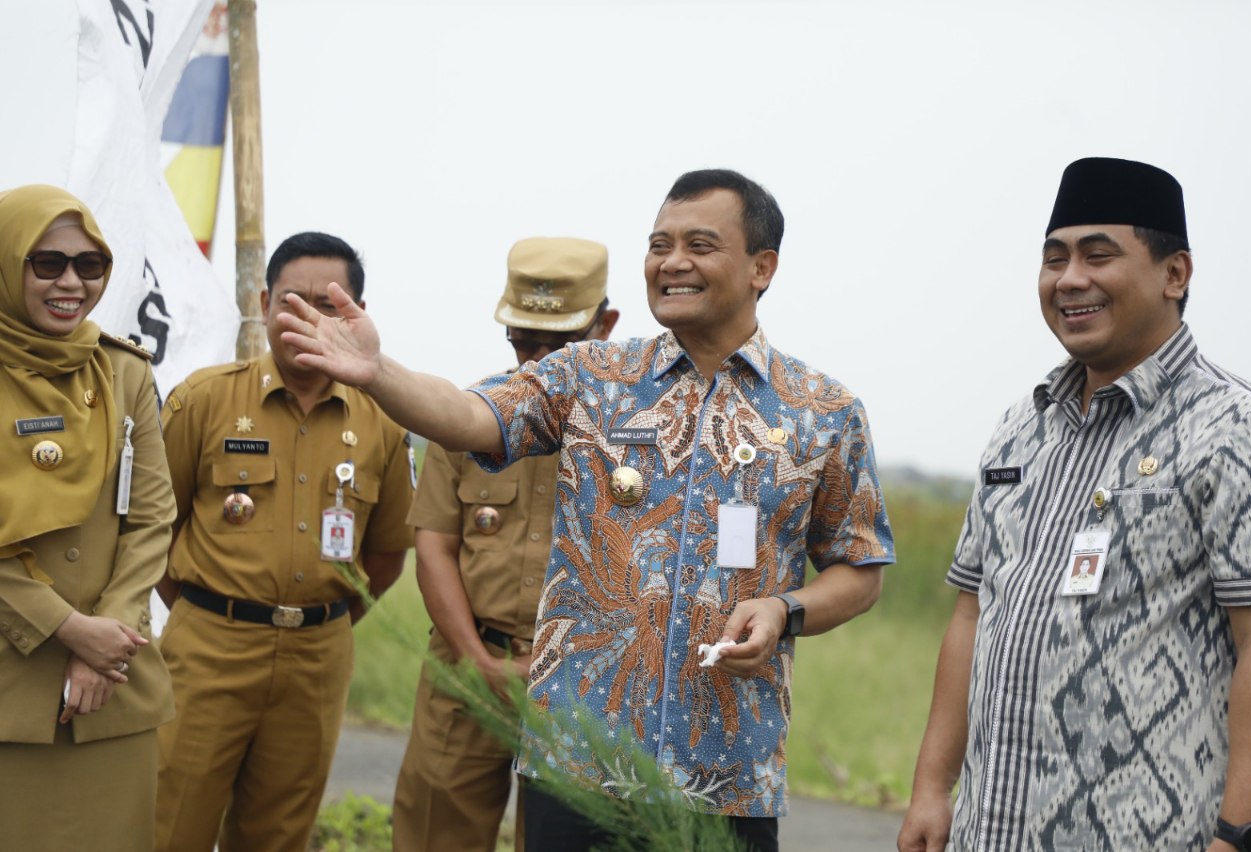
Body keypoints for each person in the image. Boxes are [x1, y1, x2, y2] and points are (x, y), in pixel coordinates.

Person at [278, 169, 896, 852]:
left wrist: (786, 611)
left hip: (726, 775)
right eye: (659, 244)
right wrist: (379, 371)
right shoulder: (589, 376)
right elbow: (470, 415)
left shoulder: (823, 414)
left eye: (699, 244)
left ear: (762, 267)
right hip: (575, 766)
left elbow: (860, 568)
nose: (672, 262)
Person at [898, 158, 1251, 852]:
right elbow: (969, 611)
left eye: (1097, 256)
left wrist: (1244, 835)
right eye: (1054, 259)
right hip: (991, 831)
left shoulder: (1238, 425)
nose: (1069, 279)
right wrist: (931, 790)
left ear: (1175, 274)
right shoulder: (1021, 425)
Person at [153, 232, 416, 852]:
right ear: (265, 301)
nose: (309, 318)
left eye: (329, 305)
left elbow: (384, 556)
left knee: (279, 832)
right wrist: (203, 612)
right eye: (291, 301)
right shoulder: (205, 399)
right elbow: (154, 532)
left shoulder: (380, 421)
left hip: (318, 656)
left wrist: (322, 621)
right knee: (169, 821)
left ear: (356, 313)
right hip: (209, 648)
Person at [392, 236, 619, 852]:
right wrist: (480, 661)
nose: (538, 361)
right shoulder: (466, 414)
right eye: (524, 341)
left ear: (608, 326)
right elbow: (434, 544)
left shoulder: (639, 433)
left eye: (560, 345)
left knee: (563, 841)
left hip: (583, 680)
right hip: (469, 664)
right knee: (436, 829)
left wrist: (547, 666)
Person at [0, 184, 176, 850]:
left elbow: (154, 515)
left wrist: (106, 643)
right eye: (46, 263)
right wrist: (71, 632)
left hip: (112, 689)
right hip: (11, 684)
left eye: (89, 264)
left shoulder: (123, 370)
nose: (70, 282)